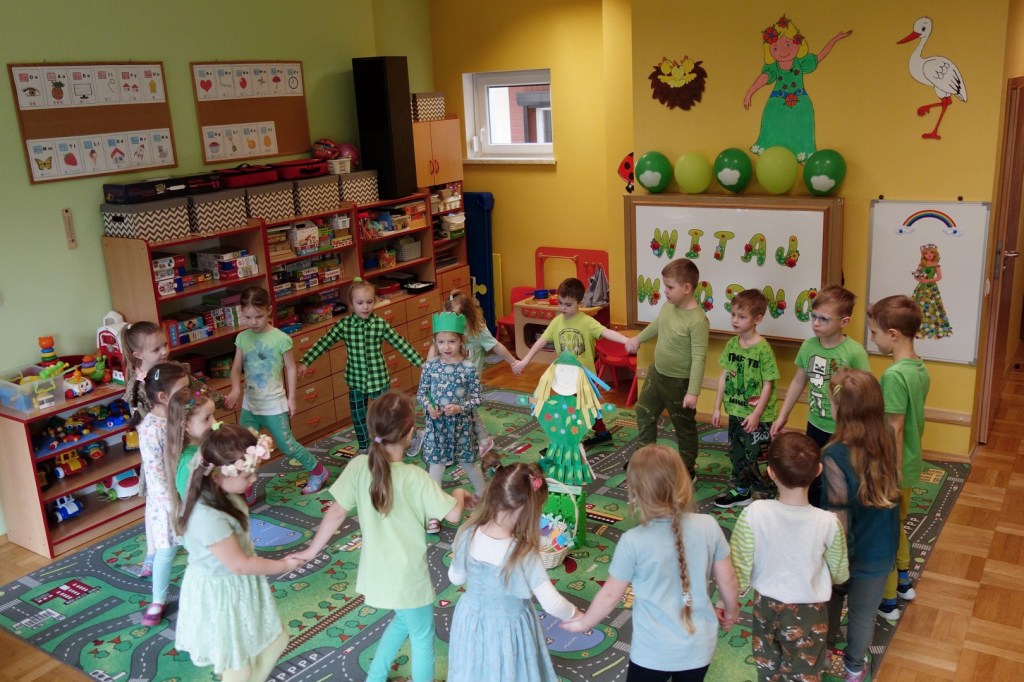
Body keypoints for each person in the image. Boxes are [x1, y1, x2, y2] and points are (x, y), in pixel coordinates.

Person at [287, 391, 474, 682]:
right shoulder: (415, 476)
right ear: (410, 434)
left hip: (377, 571)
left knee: (403, 620)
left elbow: (336, 512)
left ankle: (375, 677)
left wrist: (312, 551)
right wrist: (459, 493)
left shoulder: (358, 466)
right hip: (408, 578)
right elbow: (452, 515)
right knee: (423, 636)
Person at [561, 445, 740, 682]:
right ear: (684, 483)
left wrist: (585, 622)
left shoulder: (632, 541)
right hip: (699, 646)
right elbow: (728, 579)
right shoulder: (709, 525)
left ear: (635, 493)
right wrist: (731, 610)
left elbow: (610, 595)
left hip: (652, 651)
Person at [174, 423, 301, 682]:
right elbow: (240, 564)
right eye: (247, 475)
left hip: (239, 586)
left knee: (274, 640)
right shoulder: (207, 516)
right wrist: (284, 566)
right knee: (238, 667)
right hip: (222, 594)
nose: (253, 480)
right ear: (218, 476)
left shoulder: (223, 494)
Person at [730, 432, 850, 682]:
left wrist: (728, 600)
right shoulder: (828, 522)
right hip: (810, 610)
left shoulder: (754, 512)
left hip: (765, 605)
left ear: (771, 472)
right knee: (805, 669)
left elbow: (738, 565)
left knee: (767, 662)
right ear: (818, 471)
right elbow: (839, 571)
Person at [447, 462, 579, 682]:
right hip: (508, 629)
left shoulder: (467, 533)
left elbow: (455, 578)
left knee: (473, 669)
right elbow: (551, 603)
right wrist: (577, 615)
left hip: (470, 620)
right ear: (529, 511)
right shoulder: (523, 551)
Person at [822, 369, 900, 682]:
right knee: (863, 614)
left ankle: (824, 650)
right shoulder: (888, 436)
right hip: (880, 551)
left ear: (841, 411)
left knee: (831, 601)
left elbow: (837, 517)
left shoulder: (833, 455)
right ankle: (855, 667)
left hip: (845, 552)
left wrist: (835, 562)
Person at [297, 279, 423, 454]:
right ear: (351, 304)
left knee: (388, 414)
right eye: (360, 302)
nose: (365, 307)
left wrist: (420, 362)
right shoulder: (344, 325)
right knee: (358, 417)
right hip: (356, 380)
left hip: (379, 379)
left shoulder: (380, 324)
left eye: (369, 302)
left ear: (374, 301)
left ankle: (408, 438)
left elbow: (400, 343)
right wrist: (305, 361)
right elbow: (324, 342)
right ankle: (364, 448)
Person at [224, 287, 329, 496]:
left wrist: (292, 398)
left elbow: (290, 368)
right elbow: (236, 368)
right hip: (250, 405)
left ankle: (319, 471)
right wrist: (235, 389)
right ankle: (246, 487)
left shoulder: (281, 339)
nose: (253, 322)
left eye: (259, 316)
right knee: (244, 448)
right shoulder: (242, 338)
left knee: (287, 445)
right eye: (248, 317)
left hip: (274, 404)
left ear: (269, 311)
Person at [771, 285, 870, 506]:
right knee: (813, 473)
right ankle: (813, 511)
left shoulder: (854, 352)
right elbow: (798, 381)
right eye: (813, 316)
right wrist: (783, 415)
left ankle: (839, 515)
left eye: (824, 319)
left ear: (844, 322)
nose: (816, 323)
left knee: (840, 475)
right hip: (815, 424)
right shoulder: (808, 346)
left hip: (843, 429)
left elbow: (865, 390)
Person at [866, 295, 930, 621]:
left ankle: (888, 601)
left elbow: (895, 428)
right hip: (910, 462)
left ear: (893, 334)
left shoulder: (893, 375)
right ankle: (904, 581)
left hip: (893, 466)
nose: (872, 339)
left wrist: (886, 472)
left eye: (874, 333)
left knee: (885, 532)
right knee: (898, 525)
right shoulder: (919, 367)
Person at [514, 277, 632, 449]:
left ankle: (572, 439)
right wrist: (525, 360)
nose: (563, 308)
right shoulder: (556, 322)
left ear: (580, 302)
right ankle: (598, 434)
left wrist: (626, 341)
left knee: (581, 407)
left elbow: (606, 332)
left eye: (568, 305)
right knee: (574, 408)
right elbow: (541, 342)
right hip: (564, 377)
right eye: (560, 303)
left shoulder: (587, 321)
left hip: (584, 378)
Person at [625, 259, 710, 477]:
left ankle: (687, 467)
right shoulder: (668, 306)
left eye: (670, 287)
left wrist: (693, 391)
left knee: (684, 427)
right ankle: (645, 458)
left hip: (679, 384)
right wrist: (638, 339)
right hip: (656, 374)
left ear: (687, 288)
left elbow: (699, 358)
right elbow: (657, 325)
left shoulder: (698, 321)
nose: (665, 291)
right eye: (665, 286)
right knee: (643, 412)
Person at [743, 14, 852, 162]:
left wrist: (835, 39)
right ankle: (774, 159)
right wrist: (749, 93)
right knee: (774, 128)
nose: (783, 50)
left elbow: (820, 56)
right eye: (776, 47)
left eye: (788, 44)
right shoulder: (773, 68)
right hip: (776, 104)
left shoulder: (801, 63)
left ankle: (802, 155)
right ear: (770, 50)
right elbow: (763, 79)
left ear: (797, 44)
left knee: (801, 128)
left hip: (800, 102)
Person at [428, 288, 518, 455]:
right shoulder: (447, 330)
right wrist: (429, 370)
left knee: (467, 409)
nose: (454, 321)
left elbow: (496, 346)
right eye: (451, 316)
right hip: (448, 380)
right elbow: (434, 348)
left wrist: (513, 362)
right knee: (450, 409)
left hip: (468, 381)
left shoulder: (477, 330)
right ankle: (456, 441)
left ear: (468, 316)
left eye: (458, 317)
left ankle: (484, 440)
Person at [418, 312, 485, 534]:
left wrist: (460, 407)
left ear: (461, 341)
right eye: (441, 342)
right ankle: (433, 513)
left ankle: (485, 499)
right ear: (434, 342)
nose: (446, 347)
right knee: (435, 468)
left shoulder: (468, 368)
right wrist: (429, 407)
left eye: (451, 341)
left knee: (468, 463)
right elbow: (422, 394)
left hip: (461, 427)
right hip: (437, 428)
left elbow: (478, 398)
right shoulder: (430, 367)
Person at [712, 289, 780, 508]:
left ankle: (769, 494)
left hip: (757, 416)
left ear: (757, 319)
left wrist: (757, 414)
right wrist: (717, 407)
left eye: (741, 316)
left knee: (757, 457)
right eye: (733, 314)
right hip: (735, 411)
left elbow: (768, 384)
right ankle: (742, 490)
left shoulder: (763, 349)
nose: (735, 320)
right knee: (737, 453)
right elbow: (724, 375)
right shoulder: (732, 344)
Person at [135, 362, 189, 626]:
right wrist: (174, 506)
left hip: (187, 491)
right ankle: (158, 600)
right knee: (166, 552)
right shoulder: (150, 429)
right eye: (183, 391)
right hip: (167, 503)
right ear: (164, 397)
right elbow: (155, 476)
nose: (189, 395)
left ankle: (209, 585)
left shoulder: (179, 415)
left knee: (199, 544)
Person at [121, 320, 223, 420]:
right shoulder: (136, 390)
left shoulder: (174, 368)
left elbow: (199, 388)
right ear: (139, 355)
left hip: (192, 424)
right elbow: (145, 425)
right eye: (156, 349)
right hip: (169, 430)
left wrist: (222, 401)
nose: (164, 351)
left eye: (165, 344)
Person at [169, 388, 217, 500]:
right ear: (186, 425)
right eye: (207, 418)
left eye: (213, 415)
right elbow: (190, 502)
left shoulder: (207, 446)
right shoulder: (188, 462)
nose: (215, 422)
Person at [911, 244, 952, 339]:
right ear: (923, 255)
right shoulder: (922, 264)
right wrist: (919, 279)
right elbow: (916, 274)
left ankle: (935, 328)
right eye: (926, 253)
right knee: (919, 304)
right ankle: (918, 328)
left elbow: (939, 277)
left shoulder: (936, 265)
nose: (929, 255)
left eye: (931, 252)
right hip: (921, 287)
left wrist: (928, 280)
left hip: (931, 287)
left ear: (935, 254)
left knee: (933, 305)